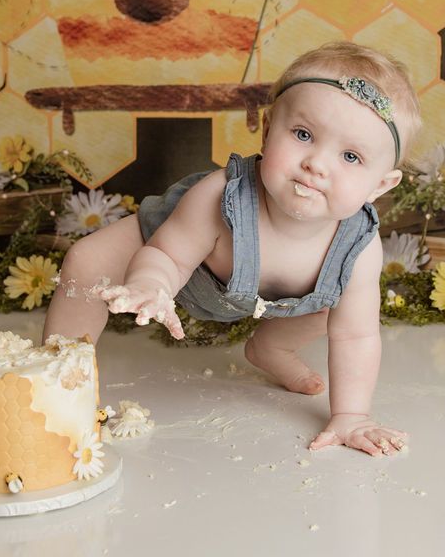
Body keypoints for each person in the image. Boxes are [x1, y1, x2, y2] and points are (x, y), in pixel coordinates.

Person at [43, 42, 421, 458]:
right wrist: (150, 283)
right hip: (178, 256)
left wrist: (352, 415)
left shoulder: (359, 248)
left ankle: (270, 348)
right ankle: (57, 377)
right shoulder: (221, 197)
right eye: (302, 134)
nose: (317, 163)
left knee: (341, 308)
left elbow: (356, 335)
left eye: (350, 156)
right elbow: (169, 254)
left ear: (380, 185)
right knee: (87, 261)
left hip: (269, 303)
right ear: (267, 128)